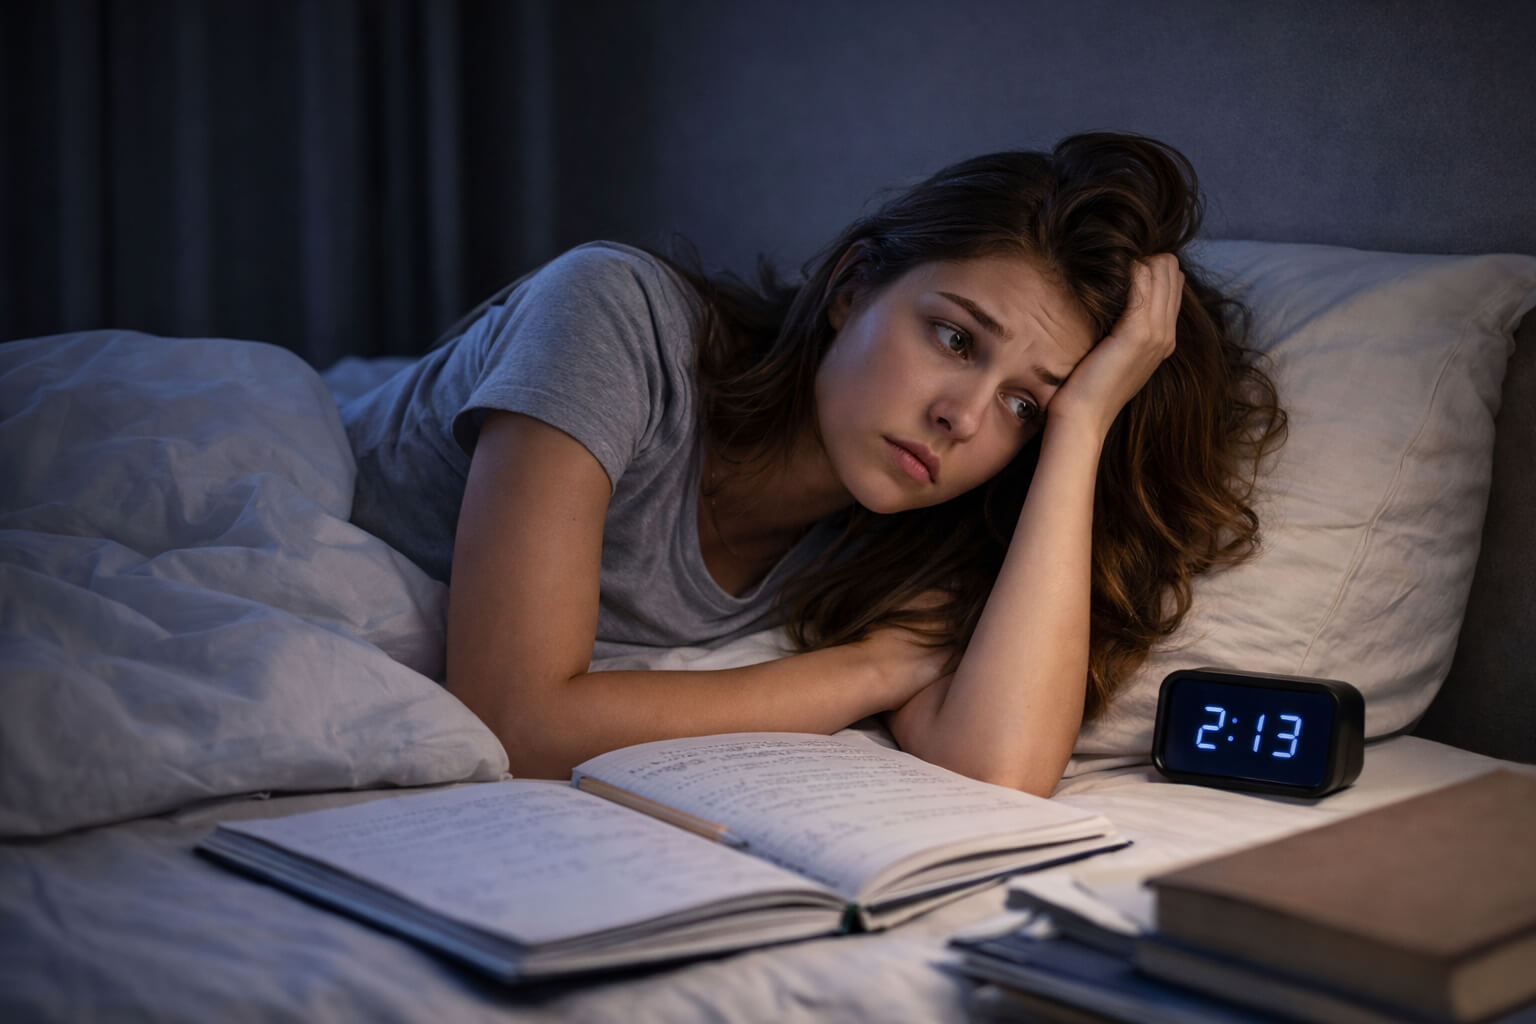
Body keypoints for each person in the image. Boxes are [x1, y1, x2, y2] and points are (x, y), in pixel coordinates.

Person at [339, 131, 1285, 796]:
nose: (961, 417)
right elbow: (512, 718)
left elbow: (996, 768)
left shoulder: (913, 535)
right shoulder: (613, 314)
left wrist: (1077, 433)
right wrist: (871, 671)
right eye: (956, 338)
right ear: (851, 286)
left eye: (1023, 401)